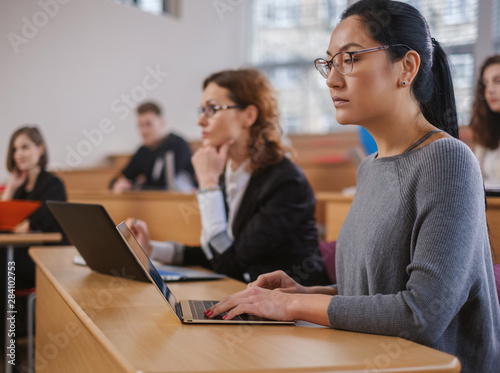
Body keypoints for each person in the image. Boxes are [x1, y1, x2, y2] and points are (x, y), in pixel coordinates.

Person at [205, 1, 500, 372]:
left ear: (406, 67)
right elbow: (377, 295)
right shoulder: (369, 168)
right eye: (329, 63)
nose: (331, 79)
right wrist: (303, 293)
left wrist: (293, 306)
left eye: (351, 59)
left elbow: (421, 314)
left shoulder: (448, 160)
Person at [128, 69, 329, 286]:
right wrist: (150, 249)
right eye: (201, 110)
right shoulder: (230, 173)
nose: (200, 121)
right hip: (249, 299)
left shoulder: (286, 182)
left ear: (249, 116)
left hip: (292, 312)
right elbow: (217, 253)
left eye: (211, 109)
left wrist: (207, 185)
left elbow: (230, 262)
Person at [110, 102, 196, 192]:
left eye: (148, 124)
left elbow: (164, 184)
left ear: (162, 123)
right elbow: (120, 177)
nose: (143, 131)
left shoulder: (177, 145)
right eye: (140, 125)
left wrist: (139, 183)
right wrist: (117, 184)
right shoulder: (143, 151)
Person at [470, 55, 500, 184]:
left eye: (498, 81)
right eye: (486, 83)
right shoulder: (487, 129)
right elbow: (475, 180)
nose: (489, 90)